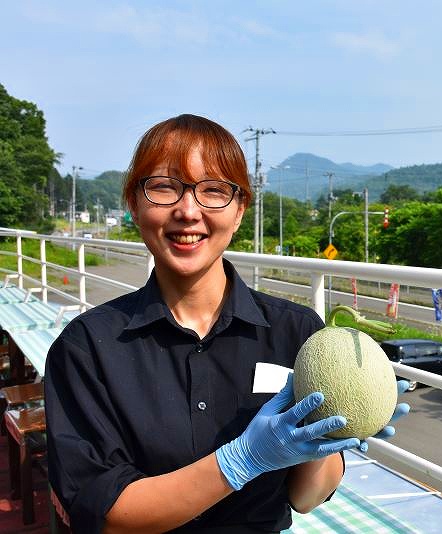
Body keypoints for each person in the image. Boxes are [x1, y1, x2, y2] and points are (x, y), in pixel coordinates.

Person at [45, 114, 410, 533]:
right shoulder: (87, 348)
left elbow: (305, 499)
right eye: (164, 187)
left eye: (213, 191)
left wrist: (327, 435)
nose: (187, 211)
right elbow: (108, 516)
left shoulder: (296, 331)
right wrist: (243, 459)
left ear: (239, 211)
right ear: (134, 202)